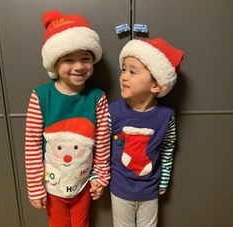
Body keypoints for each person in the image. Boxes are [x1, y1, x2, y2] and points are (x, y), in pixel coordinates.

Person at [24, 10, 110, 227]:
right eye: (69, 60)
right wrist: (35, 187)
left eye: (85, 58)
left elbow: (102, 141)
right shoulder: (41, 96)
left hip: (83, 184)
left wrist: (101, 176)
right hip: (52, 187)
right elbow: (32, 144)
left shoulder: (97, 97)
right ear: (54, 63)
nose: (79, 66)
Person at [109, 37, 183, 227]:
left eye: (133, 72)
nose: (124, 76)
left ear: (155, 85)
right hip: (119, 188)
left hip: (150, 189)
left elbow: (168, 148)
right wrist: (97, 176)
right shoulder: (113, 111)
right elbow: (101, 146)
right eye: (123, 69)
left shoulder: (166, 116)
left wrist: (164, 180)